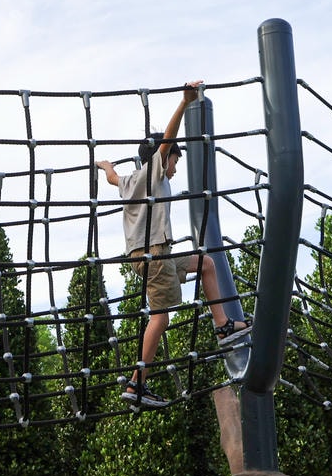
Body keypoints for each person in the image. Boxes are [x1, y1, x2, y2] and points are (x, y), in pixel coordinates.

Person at [95, 81, 252, 407]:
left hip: (153, 255)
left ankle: (223, 325)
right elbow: (166, 141)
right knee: (161, 318)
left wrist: (106, 166)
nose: (175, 168)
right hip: (153, 256)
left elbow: (112, 178)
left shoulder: (129, 181)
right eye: (174, 161)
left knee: (205, 264)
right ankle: (136, 384)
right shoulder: (153, 173)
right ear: (161, 159)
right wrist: (184, 102)